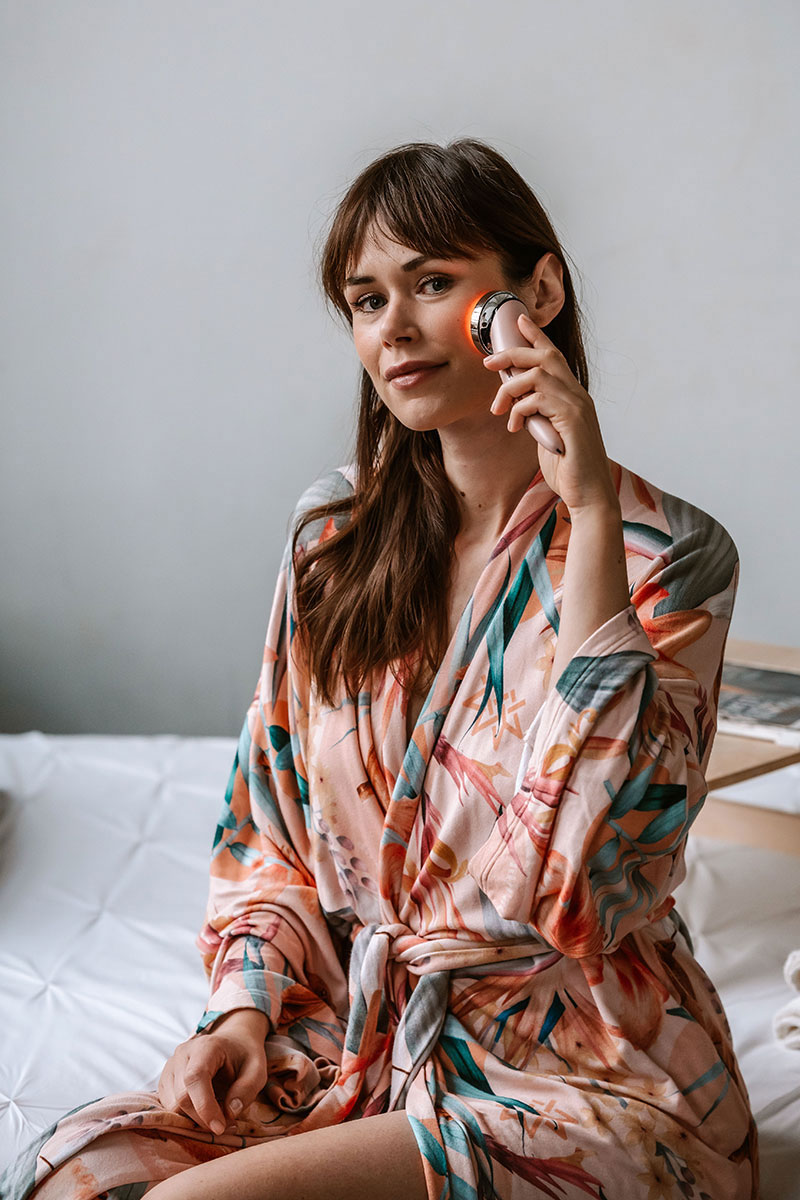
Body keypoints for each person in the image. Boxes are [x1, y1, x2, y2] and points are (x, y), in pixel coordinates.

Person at [2, 138, 758, 1200]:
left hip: (584, 1071)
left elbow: (584, 888)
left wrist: (586, 509)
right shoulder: (332, 539)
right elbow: (267, 823)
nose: (392, 327)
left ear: (536, 293)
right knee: (77, 1173)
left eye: (432, 283)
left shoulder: (669, 557)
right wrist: (243, 1010)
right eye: (365, 300)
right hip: (365, 1035)